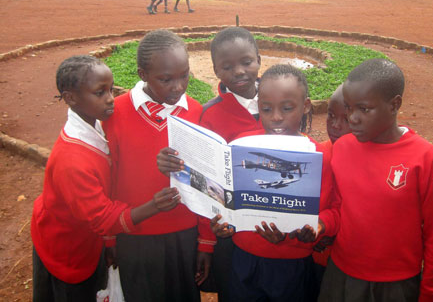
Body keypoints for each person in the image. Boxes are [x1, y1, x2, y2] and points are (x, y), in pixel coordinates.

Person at [158, 64, 339, 302]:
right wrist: (220, 222)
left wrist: (319, 226)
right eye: (266, 108)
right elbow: (224, 199)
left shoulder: (320, 155)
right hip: (243, 260)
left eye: (287, 108)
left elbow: (335, 210)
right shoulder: (241, 146)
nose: (276, 117)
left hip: (293, 266)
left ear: (305, 107)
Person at [31, 55, 169, 301]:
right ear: (70, 98)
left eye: (110, 89)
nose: (110, 99)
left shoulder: (92, 124)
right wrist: (154, 206)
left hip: (80, 238)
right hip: (66, 248)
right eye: (99, 93)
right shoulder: (72, 161)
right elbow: (102, 217)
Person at [318, 58, 433, 302]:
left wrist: (430, 293)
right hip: (340, 275)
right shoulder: (343, 148)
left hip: (396, 286)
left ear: (394, 104)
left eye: (364, 109)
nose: (353, 118)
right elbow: (338, 208)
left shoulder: (425, 159)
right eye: (348, 108)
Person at [102, 30, 216, 302]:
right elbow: (107, 182)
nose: (178, 86)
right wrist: (110, 237)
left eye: (184, 75)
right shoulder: (115, 115)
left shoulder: (195, 113)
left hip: (184, 234)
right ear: (143, 74)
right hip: (135, 234)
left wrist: (206, 241)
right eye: (166, 79)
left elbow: (206, 185)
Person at [199, 26, 263, 301]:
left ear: (259, 59)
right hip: (231, 231)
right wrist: (207, 242)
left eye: (246, 62)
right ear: (215, 70)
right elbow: (204, 182)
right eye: (227, 66)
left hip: (276, 226)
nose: (238, 71)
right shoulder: (209, 115)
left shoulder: (282, 101)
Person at [311, 83, 350, 290]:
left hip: (350, 263)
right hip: (317, 258)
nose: (335, 125)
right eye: (331, 115)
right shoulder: (319, 155)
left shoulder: (366, 161)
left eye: (346, 119)